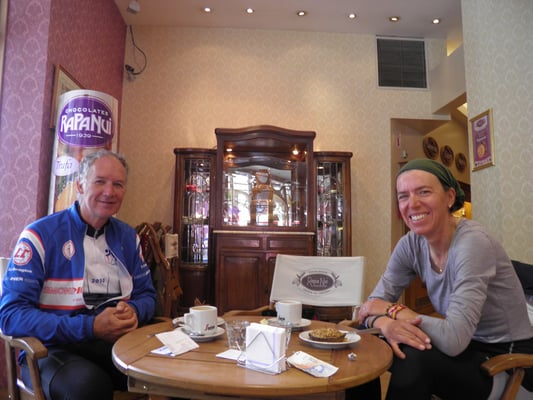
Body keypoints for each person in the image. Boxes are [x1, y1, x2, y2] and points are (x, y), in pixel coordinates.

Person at [357, 158, 533, 400]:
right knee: (360, 340)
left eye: (424, 192)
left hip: (508, 362)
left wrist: (394, 310)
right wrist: (385, 324)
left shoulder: (473, 243)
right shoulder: (410, 245)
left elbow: (453, 340)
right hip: (465, 348)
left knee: (413, 357)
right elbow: (369, 308)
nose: (412, 204)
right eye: (403, 196)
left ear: (449, 197)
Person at [0, 150, 157, 400]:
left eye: (118, 184)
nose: (109, 192)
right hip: (51, 349)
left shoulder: (128, 237)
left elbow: (147, 295)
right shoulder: (39, 235)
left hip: (114, 344)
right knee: (89, 386)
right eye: (100, 181)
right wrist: (90, 327)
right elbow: (10, 316)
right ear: (80, 185)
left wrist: (134, 311)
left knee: (174, 372)